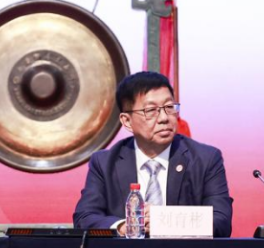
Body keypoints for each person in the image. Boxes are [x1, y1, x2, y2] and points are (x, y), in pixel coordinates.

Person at [72, 71, 233, 237]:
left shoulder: (205, 159)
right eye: (151, 110)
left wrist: (163, 220)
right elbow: (84, 218)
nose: (164, 118)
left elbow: (221, 222)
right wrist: (123, 227)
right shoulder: (105, 163)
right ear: (127, 121)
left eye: (169, 107)